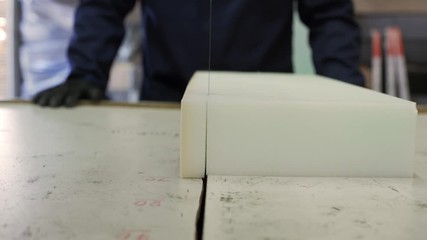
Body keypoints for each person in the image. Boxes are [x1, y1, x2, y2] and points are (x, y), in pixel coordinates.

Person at [33, 0, 365, 107]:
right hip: (166, 107)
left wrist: (344, 89)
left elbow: (329, 12)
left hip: (264, 109)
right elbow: (104, 5)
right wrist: (85, 74)